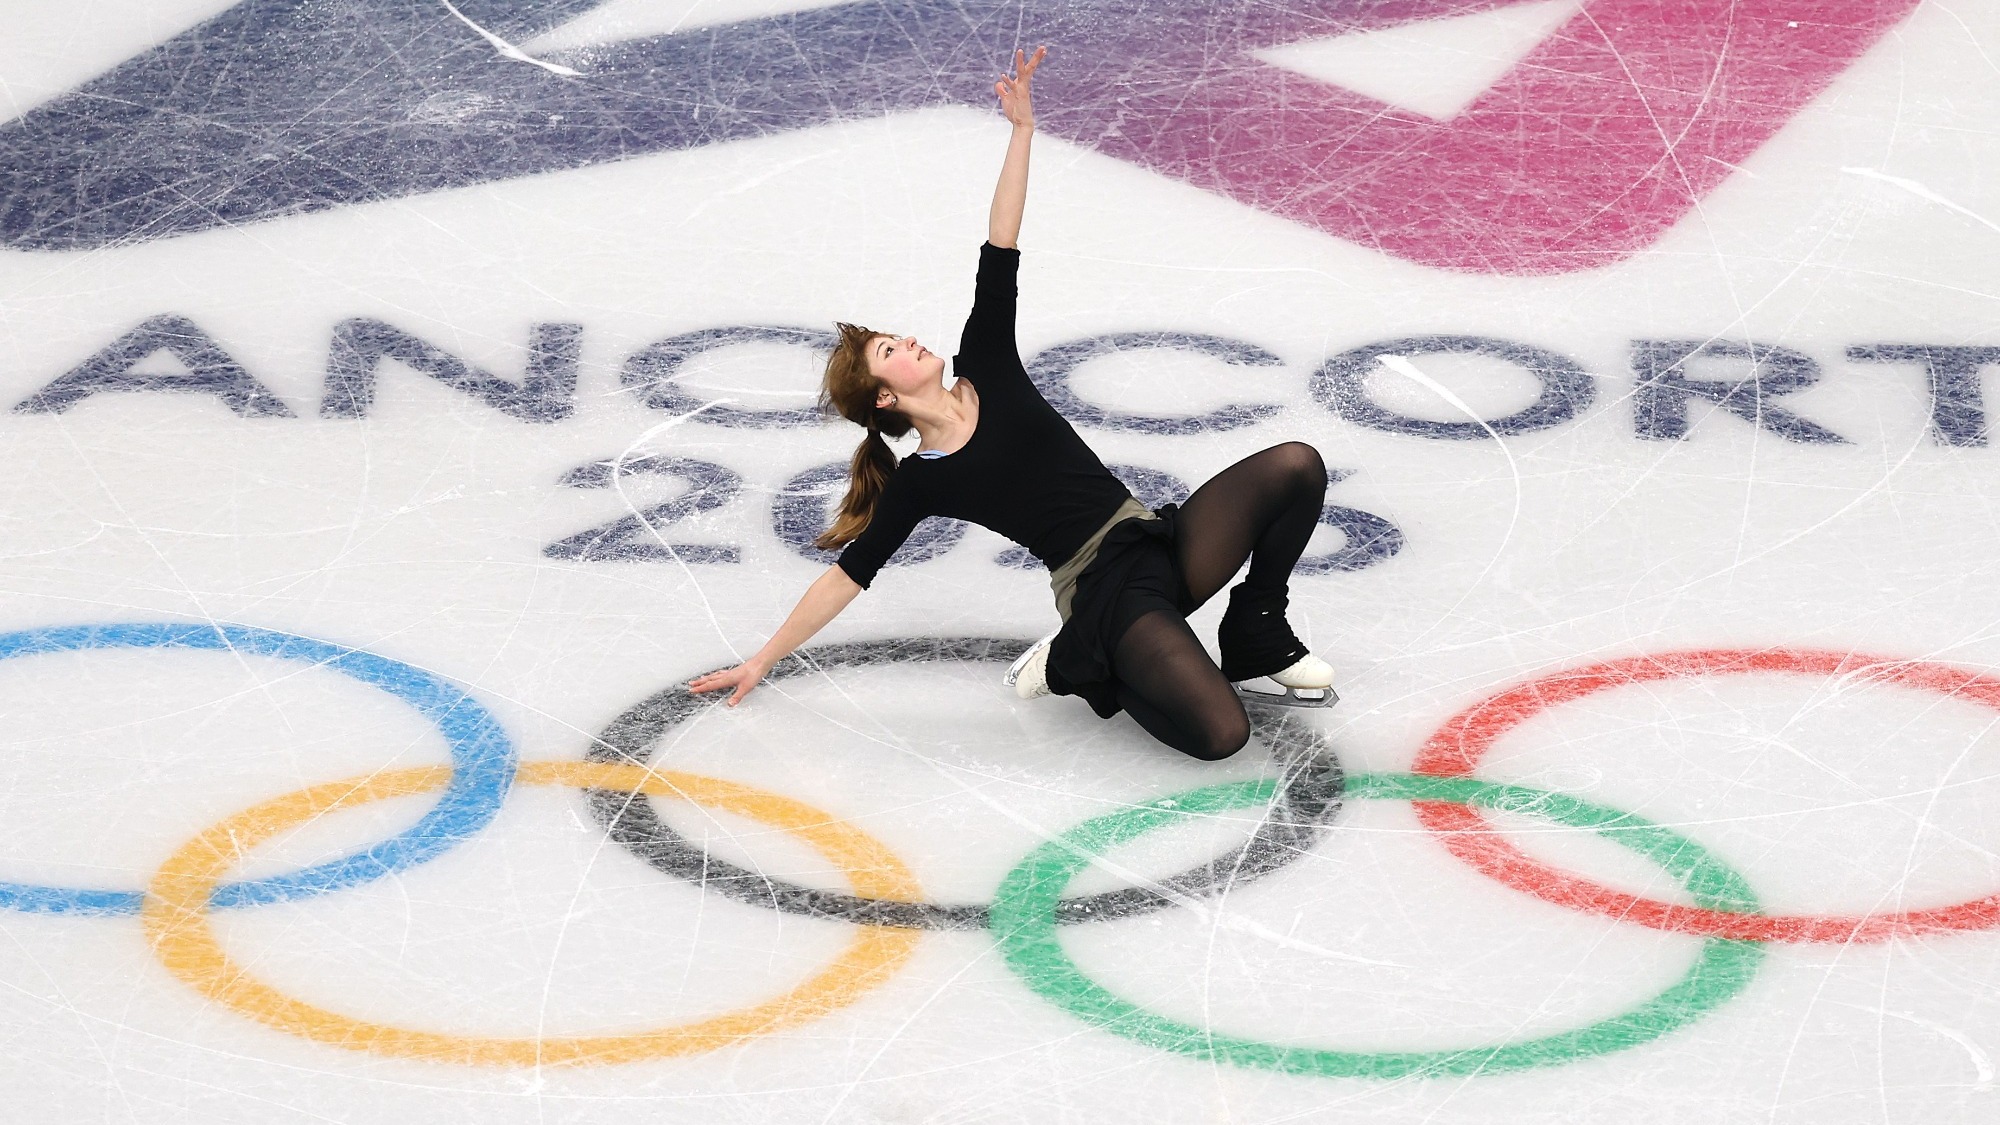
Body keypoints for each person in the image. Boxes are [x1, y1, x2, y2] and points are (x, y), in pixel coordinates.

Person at [689, 46, 1335, 761]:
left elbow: (1001, 242)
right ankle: (1074, 660)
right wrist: (763, 658)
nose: (906, 339)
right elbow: (848, 577)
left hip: (1154, 538)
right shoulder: (922, 480)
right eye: (888, 351)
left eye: (894, 336)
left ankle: (1255, 629)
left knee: (1296, 465)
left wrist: (1022, 132)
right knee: (1223, 734)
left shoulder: (986, 359)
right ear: (884, 396)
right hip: (1102, 591)